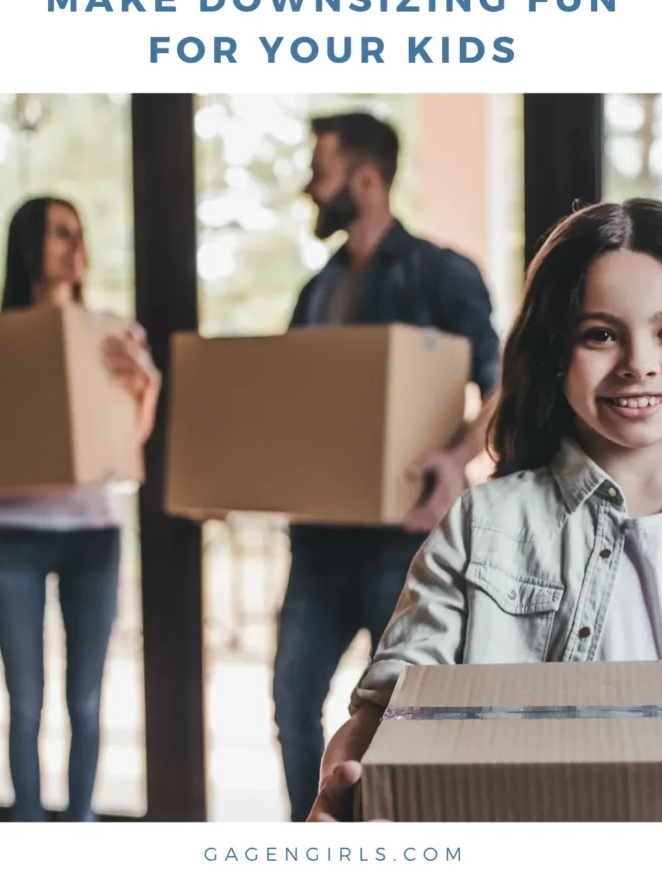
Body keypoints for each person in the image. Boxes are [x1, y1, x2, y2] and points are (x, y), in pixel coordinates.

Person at [307, 195, 662, 821]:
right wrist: (344, 787)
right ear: (555, 351)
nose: (639, 364)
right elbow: (397, 697)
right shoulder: (484, 525)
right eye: (601, 334)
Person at [273, 112, 501, 821]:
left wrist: (454, 460)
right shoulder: (315, 291)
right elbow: (287, 404)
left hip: (408, 544)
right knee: (291, 703)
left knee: (406, 722)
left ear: (364, 180)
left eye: (321, 172)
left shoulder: (443, 273)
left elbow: (503, 388)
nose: (311, 188)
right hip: (317, 542)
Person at [0, 196, 161, 822]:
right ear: (29, 244)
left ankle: (81, 824)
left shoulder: (113, 333)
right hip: (11, 533)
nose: (74, 246)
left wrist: (149, 387)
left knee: (85, 699)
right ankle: (29, 826)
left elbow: (127, 441)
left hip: (93, 533)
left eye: (79, 233)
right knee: (25, 700)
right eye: (60, 233)